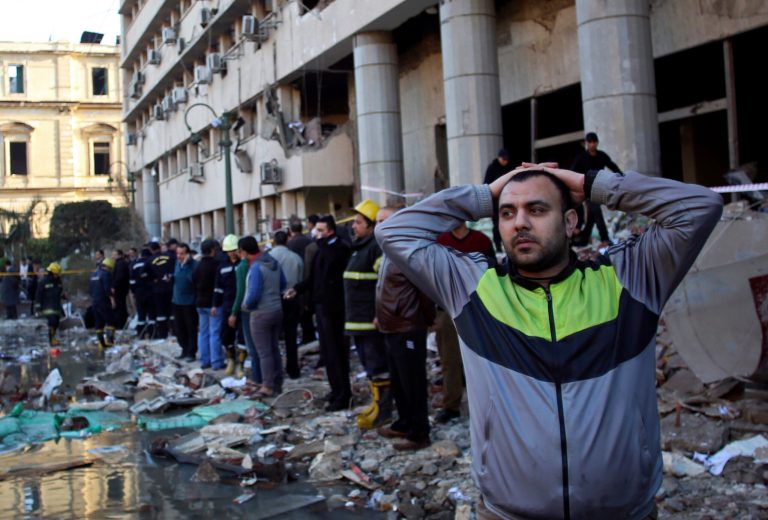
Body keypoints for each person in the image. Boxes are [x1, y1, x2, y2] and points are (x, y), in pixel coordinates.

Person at [376, 162, 722, 519]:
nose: (520, 223)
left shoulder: (630, 278)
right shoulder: (472, 286)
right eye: (507, 213)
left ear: (571, 222)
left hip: (624, 512)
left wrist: (593, 185)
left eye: (537, 209)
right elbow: (394, 232)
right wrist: (485, 195)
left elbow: (701, 207)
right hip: (507, 514)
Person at [375, 206, 436, 450]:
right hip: (391, 327)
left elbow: (425, 291)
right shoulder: (388, 250)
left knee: (413, 382)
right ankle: (404, 423)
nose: (379, 225)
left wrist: (426, 320)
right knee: (399, 381)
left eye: (384, 220)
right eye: (377, 221)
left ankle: (419, 433)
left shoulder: (408, 251)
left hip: (408, 326)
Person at [286, 215, 351, 411]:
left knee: (337, 352)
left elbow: (332, 265)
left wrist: (320, 243)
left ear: (330, 231)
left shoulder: (339, 248)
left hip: (335, 308)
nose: (317, 234)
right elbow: (313, 278)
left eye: (321, 230)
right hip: (321, 307)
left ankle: (343, 394)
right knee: (328, 352)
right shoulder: (320, 250)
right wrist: (297, 289)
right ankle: (335, 389)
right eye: (317, 230)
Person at [433, 221, 494, 424]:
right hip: (448, 307)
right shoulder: (441, 241)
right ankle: (451, 405)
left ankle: (487, 403)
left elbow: (492, 273)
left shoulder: (481, 241)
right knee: (449, 359)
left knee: (482, 358)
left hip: (477, 307)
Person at [344, 199, 392, 429]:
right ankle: (376, 404)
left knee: (378, 366)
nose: (354, 226)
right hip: (357, 321)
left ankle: (384, 411)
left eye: (358, 222)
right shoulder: (360, 248)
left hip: (370, 322)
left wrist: (379, 313)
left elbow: (385, 282)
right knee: (370, 367)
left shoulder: (375, 247)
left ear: (371, 226)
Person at [243, 239, 287, 397]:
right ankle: (277, 383)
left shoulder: (256, 267)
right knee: (274, 348)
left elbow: (254, 293)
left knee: (264, 352)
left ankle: (267, 386)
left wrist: (246, 305)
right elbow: (283, 283)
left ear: (244, 251)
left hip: (261, 312)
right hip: (276, 309)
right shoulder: (273, 262)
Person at [570, 132, 622, 247]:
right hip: (587, 190)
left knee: (592, 215)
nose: (592, 144)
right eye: (590, 142)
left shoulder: (601, 156)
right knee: (596, 210)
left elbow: (612, 166)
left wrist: (622, 177)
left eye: (594, 142)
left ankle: (584, 238)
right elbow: (572, 171)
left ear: (597, 142)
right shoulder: (582, 157)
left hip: (599, 188)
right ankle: (605, 238)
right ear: (586, 143)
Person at [269, 230, 304, 379]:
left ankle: (274, 370)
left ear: (274, 241)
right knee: (291, 336)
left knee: (272, 337)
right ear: (287, 241)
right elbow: (300, 281)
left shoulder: (269, 257)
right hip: (292, 299)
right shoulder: (296, 258)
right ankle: (293, 369)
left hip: (273, 300)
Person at [214, 234, 245, 376]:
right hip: (227, 305)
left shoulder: (243, 264)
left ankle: (241, 365)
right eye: (229, 251)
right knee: (226, 336)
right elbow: (218, 287)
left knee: (243, 337)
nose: (231, 253)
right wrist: (215, 304)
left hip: (242, 306)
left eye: (233, 250)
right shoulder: (222, 266)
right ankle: (231, 360)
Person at [233, 236, 262, 384]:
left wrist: (234, 312)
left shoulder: (244, 266)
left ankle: (258, 377)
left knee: (252, 345)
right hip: (266, 307)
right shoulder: (266, 262)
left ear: (243, 251)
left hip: (249, 309)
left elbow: (241, 292)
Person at [192, 239, 224, 369]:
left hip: (200, 303)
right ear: (212, 250)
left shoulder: (197, 266)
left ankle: (205, 360)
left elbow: (193, 283)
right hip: (213, 304)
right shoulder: (217, 265)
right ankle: (216, 361)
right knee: (215, 333)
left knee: (203, 332)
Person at [483, 149, 513, 252]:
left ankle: (508, 245)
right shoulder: (492, 168)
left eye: (506, 160)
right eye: (503, 159)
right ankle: (498, 247)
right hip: (495, 202)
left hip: (508, 200)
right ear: (498, 158)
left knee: (509, 223)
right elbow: (486, 184)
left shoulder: (509, 168)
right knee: (497, 225)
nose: (505, 161)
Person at [172, 243, 198, 361]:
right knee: (179, 328)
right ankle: (184, 349)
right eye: (177, 253)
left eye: (182, 254)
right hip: (177, 300)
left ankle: (191, 352)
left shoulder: (194, 265)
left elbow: (192, 279)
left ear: (187, 254)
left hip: (189, 302)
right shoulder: (177, 263)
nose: (179, 256)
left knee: (190, 328)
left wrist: (186, 265)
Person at [36, 262, 66, 346]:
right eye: (56, 274)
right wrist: (38, 307)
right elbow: (38, 295)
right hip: (47, 306)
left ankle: (53, 338)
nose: (57, 275)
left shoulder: (58, 281)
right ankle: (51, 340)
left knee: (56, 321)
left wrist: (63, 296)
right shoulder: (43, 282)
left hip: (56, 305)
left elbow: (59, 292)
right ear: (51, 273)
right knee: (52, 320)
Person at [148, 241, 174, 338]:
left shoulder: (150, 260)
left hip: (157, 290)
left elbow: (143, 273)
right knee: (171, 311)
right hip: (170, 288)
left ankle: (163, 334)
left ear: (151, 250)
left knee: (160, 312)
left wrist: (152, 279)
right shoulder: (170, 257)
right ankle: (174, 331)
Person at [90, 257, 116, 349]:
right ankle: (109, 342)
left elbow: (91, 290)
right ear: (109, 267)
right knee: (110, 321)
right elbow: (107, 289)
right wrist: (112, 300)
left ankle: (101, 343)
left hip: (95, 301)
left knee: (99, 323)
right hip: (104, 301)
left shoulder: (93, 274)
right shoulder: (106, 274)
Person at [130, 248, 153, 337]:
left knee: (141, 313)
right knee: (151, 313)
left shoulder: (135, 265)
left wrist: (133, 291)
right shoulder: (151, 263)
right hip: (150, 291)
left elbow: (132, 281)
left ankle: (141, 333)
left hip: (139, 291)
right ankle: (152, 333)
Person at [111, 249, 130, 329]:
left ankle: (120, 325)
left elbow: (120, 277)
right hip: (122, 288)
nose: (112, 256)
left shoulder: (120, 264)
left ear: (119, 255)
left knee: (119, 307)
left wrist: (114, 286)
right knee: (121, 306)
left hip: (120, 289)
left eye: (114, 255)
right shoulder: (120, 263)